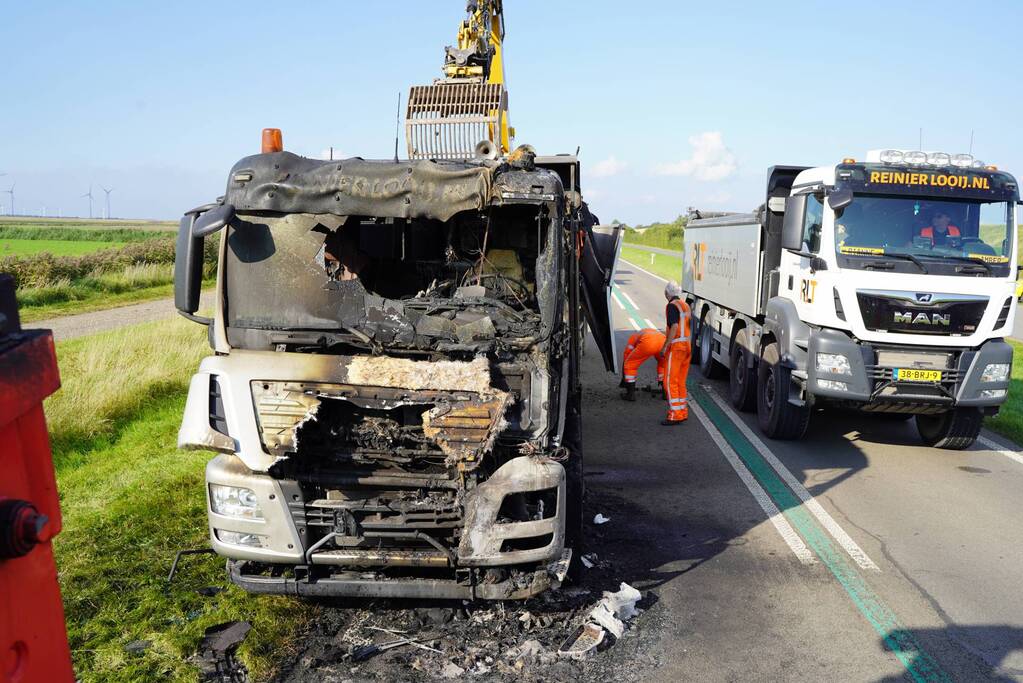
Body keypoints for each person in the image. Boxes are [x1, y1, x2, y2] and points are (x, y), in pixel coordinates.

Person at [660, 282, 692, 426]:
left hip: (677, 347)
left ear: (668, 293)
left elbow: (674, 326)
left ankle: (675, 415)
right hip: (687, 346)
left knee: (669, 381)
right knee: (680, 382)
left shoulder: (671, 306)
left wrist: (666, 345)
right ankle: (682, 411)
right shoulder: (685, 305)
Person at [619, 328, 666, 401]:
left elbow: (626, 356)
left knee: (629, 365)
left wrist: (624, 379)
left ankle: (630, 394)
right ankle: (665, 393)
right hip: (663, 342)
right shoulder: (649, 331)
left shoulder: (633, 337)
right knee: (663, 365)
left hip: (648, 343)